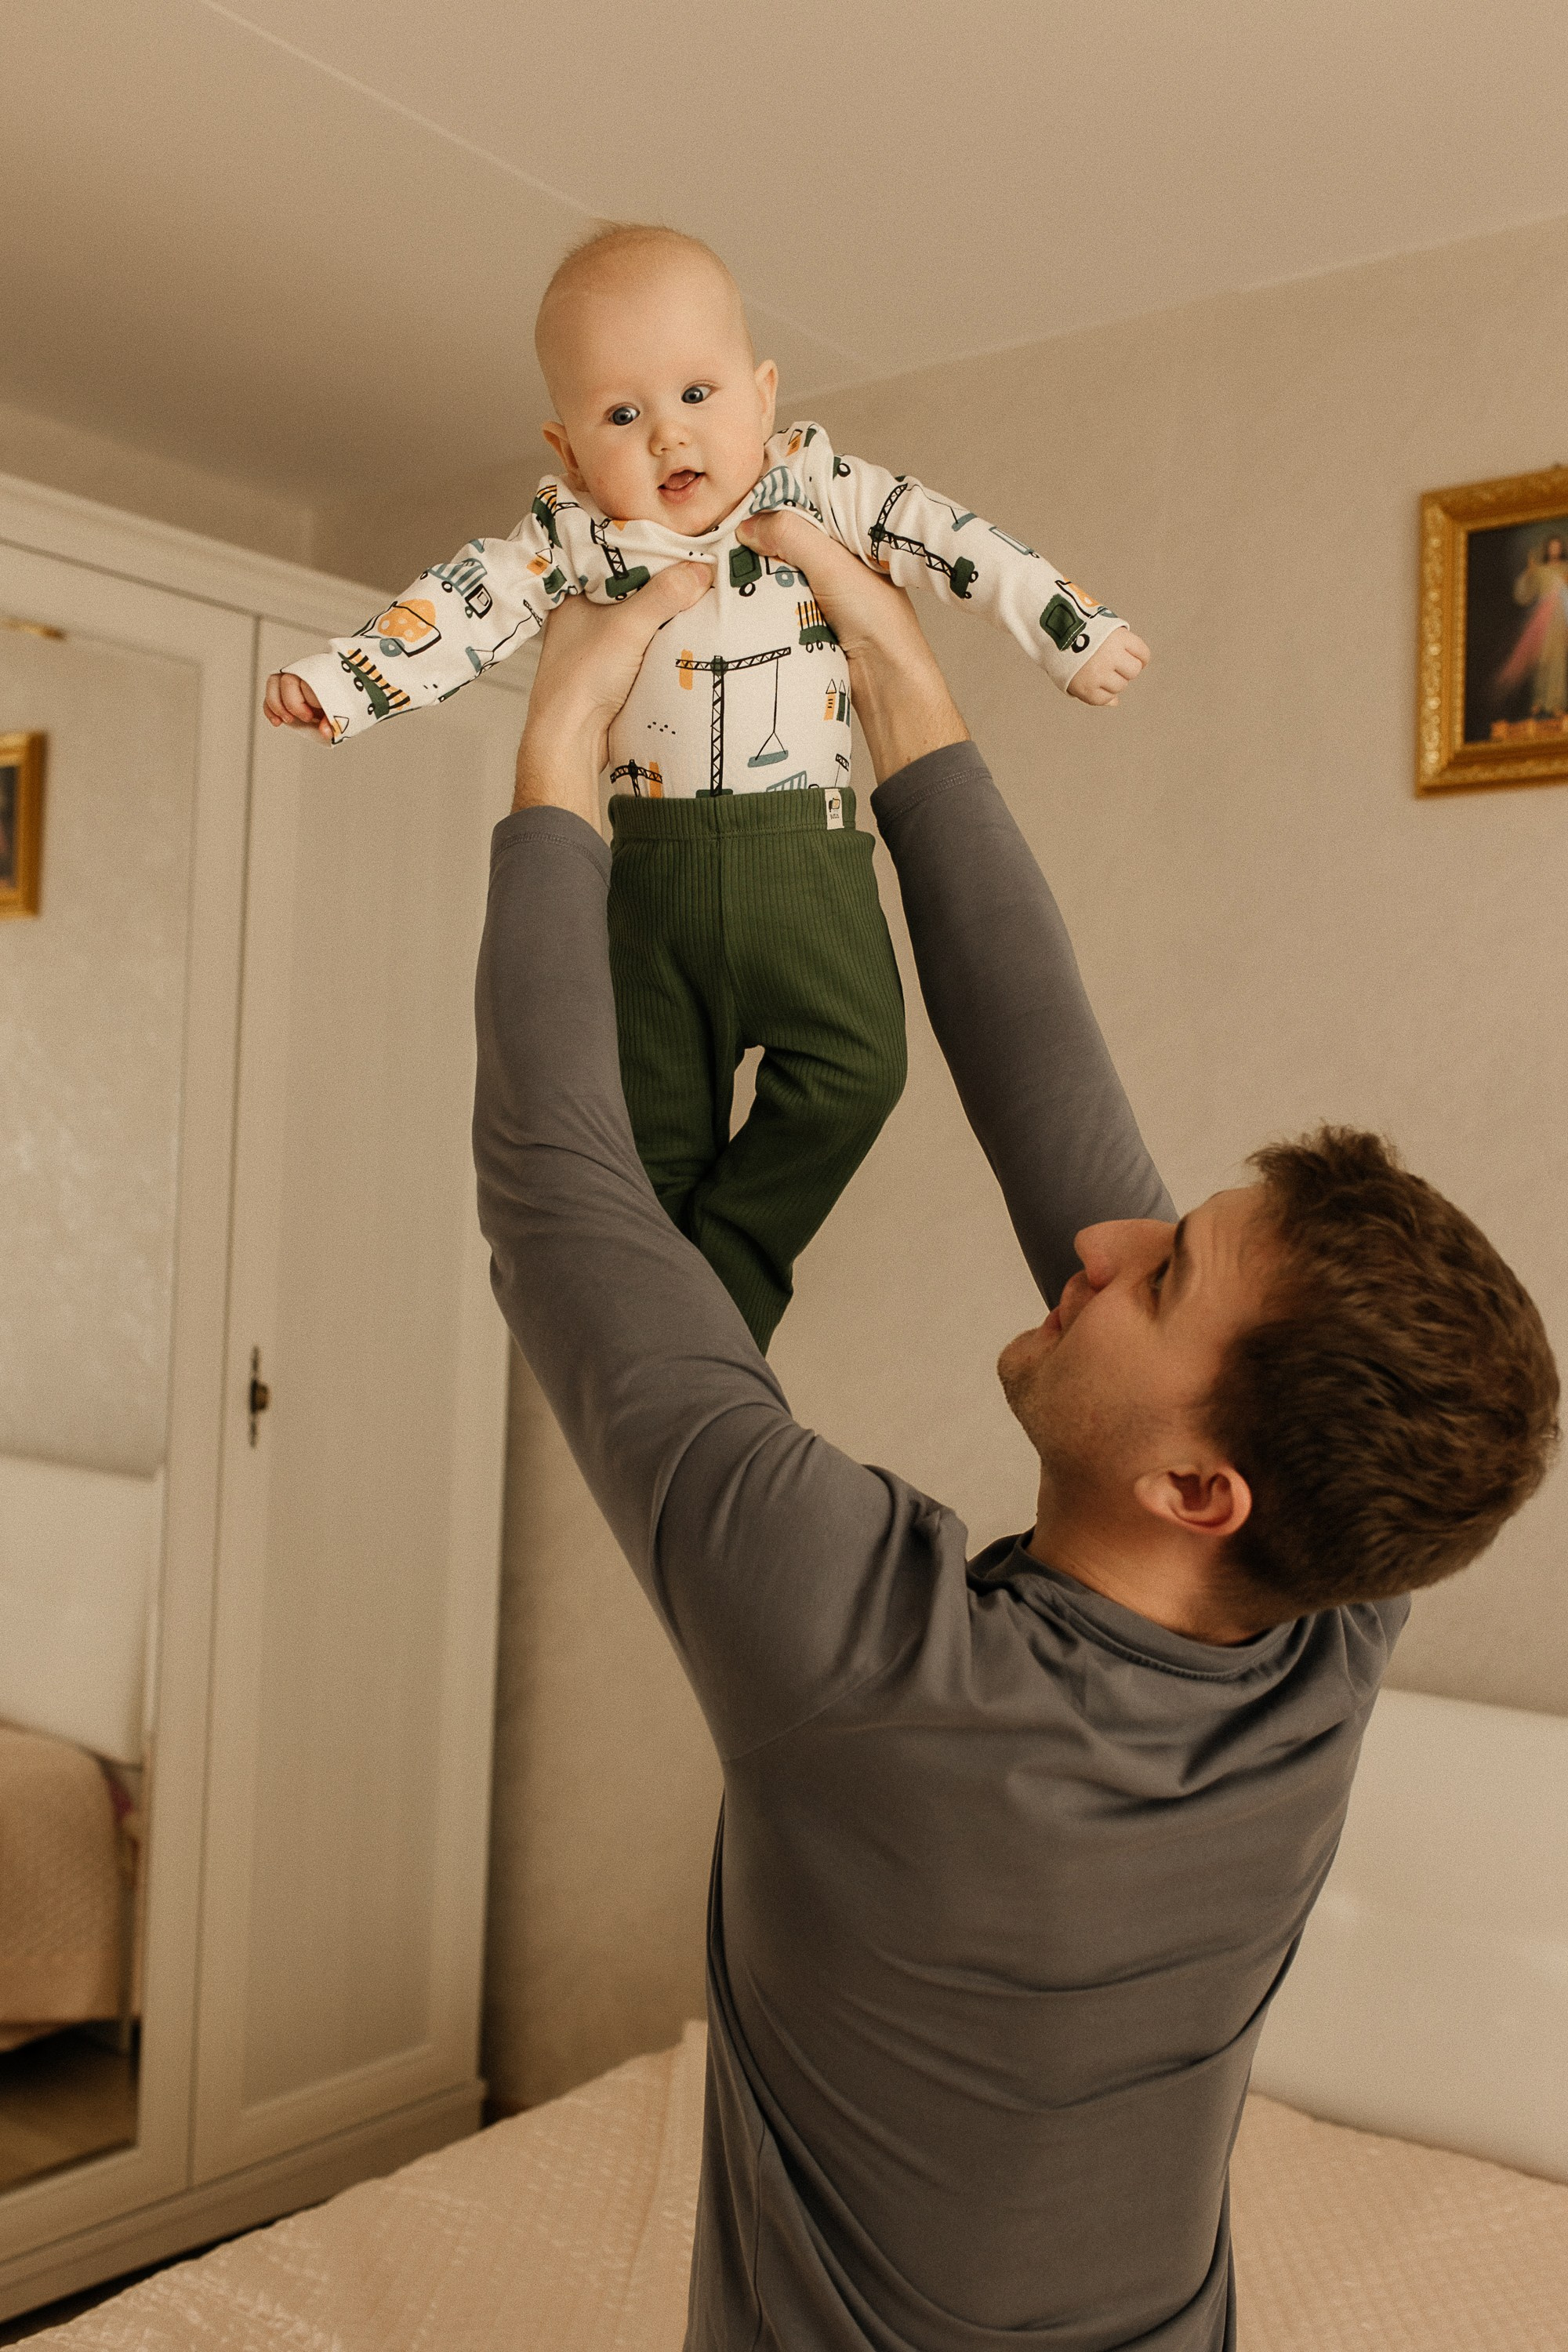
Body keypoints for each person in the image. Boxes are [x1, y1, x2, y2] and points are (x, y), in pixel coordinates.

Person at [473, 503, 1559, 2351]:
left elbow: (564, 1198)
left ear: (1199, 1488)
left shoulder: (859, 1658)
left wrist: (562, 744)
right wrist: (887, 654)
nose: (1106, 1239)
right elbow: (1044, 1077)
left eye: (1155, 1284)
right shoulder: (1325, 1609)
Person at [264, 224, 1149, 1352]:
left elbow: (951, 538)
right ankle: (684, 1338)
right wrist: (341, 682)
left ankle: (727, 1280)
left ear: (764, 393)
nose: (670, 432)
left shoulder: (816, 490)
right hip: (653, 883)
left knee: (861, 1068)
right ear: (569, 446)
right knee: (650, 1136)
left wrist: (1072, 632)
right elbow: (463, 603)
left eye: (697, 392)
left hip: (808, 867)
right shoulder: (572, 536)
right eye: (623, 416)